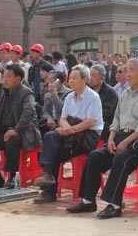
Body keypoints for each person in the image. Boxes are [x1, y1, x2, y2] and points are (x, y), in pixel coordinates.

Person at [66, 58, 138, 219]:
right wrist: (111, 139)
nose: (127, 74)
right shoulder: (126, 94)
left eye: (131, 70)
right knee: (95, 156)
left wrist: (125, 142)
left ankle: (115, 205)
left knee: (120, 159)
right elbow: (116, 120)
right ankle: (88, 200)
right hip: (121, 137)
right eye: (126, 70)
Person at [33, 65, 103, 204]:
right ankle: (47, 176)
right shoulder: (70, 97)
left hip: (87, 136)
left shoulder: (93, 97)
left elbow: (90, 122)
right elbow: (63, 118)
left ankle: (48, 191)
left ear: (84, 80)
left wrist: (70, 130)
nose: (71, 81)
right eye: (70, 78)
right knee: (50, 136)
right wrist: (66, 128)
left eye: (75, 78)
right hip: (70, 133)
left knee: (55, 152)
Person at [0, 64, 42, 189]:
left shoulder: (27, 92)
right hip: (6, 131)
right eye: (4, 76)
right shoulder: (5, 93)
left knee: (12, 139)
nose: (5, 79)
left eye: (9, 76)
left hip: (24, 133)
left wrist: (16, 130)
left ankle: (12, 176)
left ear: (19, 79)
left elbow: (28, 113)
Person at [88, 64, 119, 141]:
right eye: (89, 75)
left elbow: (105, 113)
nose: (90, 78)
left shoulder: (111, 93)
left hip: (105, 127)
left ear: (102, 78)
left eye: (93, 75)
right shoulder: (88, 90)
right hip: (88, 122)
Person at [39, 70, 71, 137]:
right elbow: (44, 111)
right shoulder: (47, 95)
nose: (48, 82)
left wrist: (54, 94)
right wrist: (49, 118)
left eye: (51, 79)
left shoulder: (69, 93)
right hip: (50, 121)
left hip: (63, 122)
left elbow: (62, 109)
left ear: (58, 81)